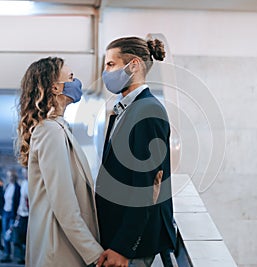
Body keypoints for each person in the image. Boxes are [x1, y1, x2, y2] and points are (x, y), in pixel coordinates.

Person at [95, 37, 177, 267]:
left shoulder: (147, 110)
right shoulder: (127, 109)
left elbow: (146, 185)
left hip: (132, 248)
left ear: (133, 65)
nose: (105, 71)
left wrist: (123, 247)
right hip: (118, 238)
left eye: (111, 64)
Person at [17, 57, 104, 267]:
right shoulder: (50, 131)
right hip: (59, 250)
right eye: (71, 77)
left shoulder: (58, 128)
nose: (77, 82)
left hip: (60, 247)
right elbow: (65, 205)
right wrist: (95, 254)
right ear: (55, 88)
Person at [0, 169, 20, 263]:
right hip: (5, 213)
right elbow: (3, 200)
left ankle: (15, 254)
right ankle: (7, 254)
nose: (10, 178)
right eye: (9, 176)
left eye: (11, 176)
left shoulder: (17, 187)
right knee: (4, 234)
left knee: (10, 234)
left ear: (14, 177)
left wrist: (16, 215)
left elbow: (17, 202)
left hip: (12, 214)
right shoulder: (7, 186)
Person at [13, 168, 29, 264]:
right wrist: (18, 213)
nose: (24, 174)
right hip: (22, 213)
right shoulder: (24, 183)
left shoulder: (31, 183)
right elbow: (21, 200)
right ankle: (22, 256)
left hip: (29, 214)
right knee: (20, 236)